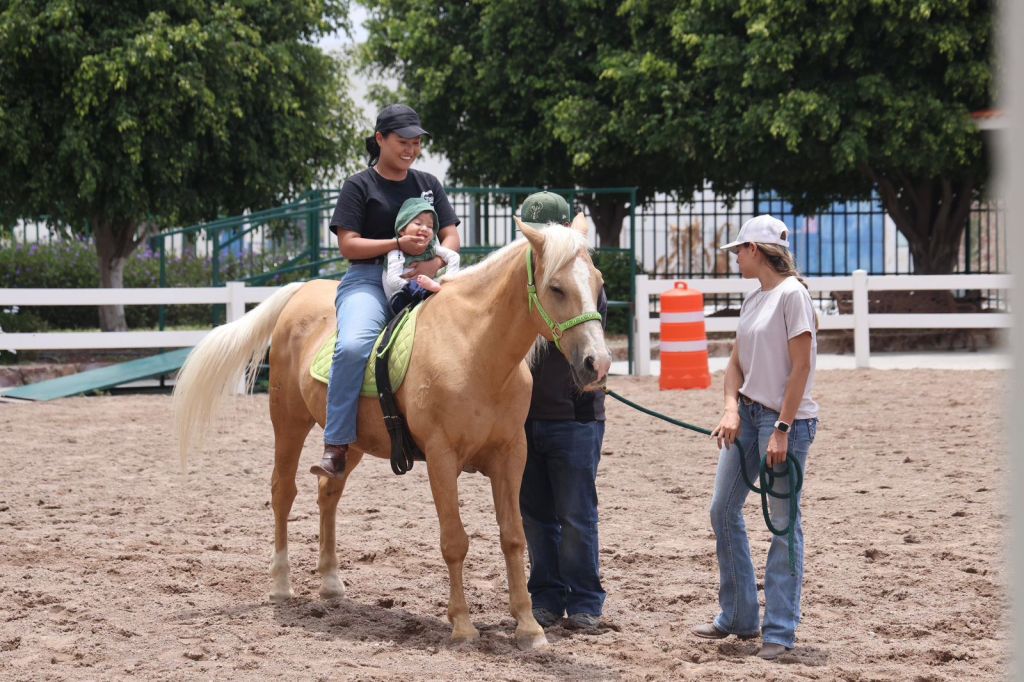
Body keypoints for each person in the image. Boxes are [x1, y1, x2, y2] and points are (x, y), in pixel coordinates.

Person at [692, 214, 819, 660]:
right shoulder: (754, 300)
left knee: (783, 525)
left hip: (785, 422)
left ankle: (780, 632)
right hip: (747, 416)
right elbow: (734, 366)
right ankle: (740, 615)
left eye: (739, 250)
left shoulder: (792, 297)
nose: (735, 258)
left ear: (757, 251)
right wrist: (730, 408)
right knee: (721, 510)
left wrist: (782, 429)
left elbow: (800, 368)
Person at [310, 104, 460, 479]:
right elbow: (349, 245)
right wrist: (397, 244)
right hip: (368, 280)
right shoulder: (359, 185)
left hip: (423, 277)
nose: (410, 149)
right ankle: (337, 443)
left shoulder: (428, 184)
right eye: (402, 142)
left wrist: (433, 264)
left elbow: (452, 236)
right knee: (354, 346)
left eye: (416, 143)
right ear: (380, 139)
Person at [517, 191, 609, 632]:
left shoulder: (583, 280)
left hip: (574, 416)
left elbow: (590, 345)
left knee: (575, 515)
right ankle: (547, 597)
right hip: (525, 416)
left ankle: (586, 600)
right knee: (536, 515)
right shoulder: (524, 284)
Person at [383, 197, 460, 314]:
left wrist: (448, 280)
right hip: (401, 297)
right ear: (402, 229)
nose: (424, 228)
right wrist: (417, 285)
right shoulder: (397, 250)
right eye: (418, 223)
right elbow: (392, 280)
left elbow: (454, 257)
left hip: (428, 292)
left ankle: (436, 291)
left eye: (430, 226)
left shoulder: (431, 247)